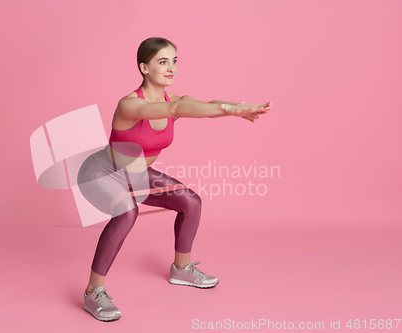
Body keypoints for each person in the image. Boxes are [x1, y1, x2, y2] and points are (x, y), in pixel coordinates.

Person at [77, 37, 271, 321]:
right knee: (126, 213)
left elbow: (202, 104)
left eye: (174, 61)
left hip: (136, 175)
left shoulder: (175, 99)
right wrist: (229, 110)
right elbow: (174, 111)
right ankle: (94, 292)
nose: (171, 68)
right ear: (144, 68)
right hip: (101, 173)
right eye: (162, 62)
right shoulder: (130, 105)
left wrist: (237, 107)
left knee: (190, 202)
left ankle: (181, 269)